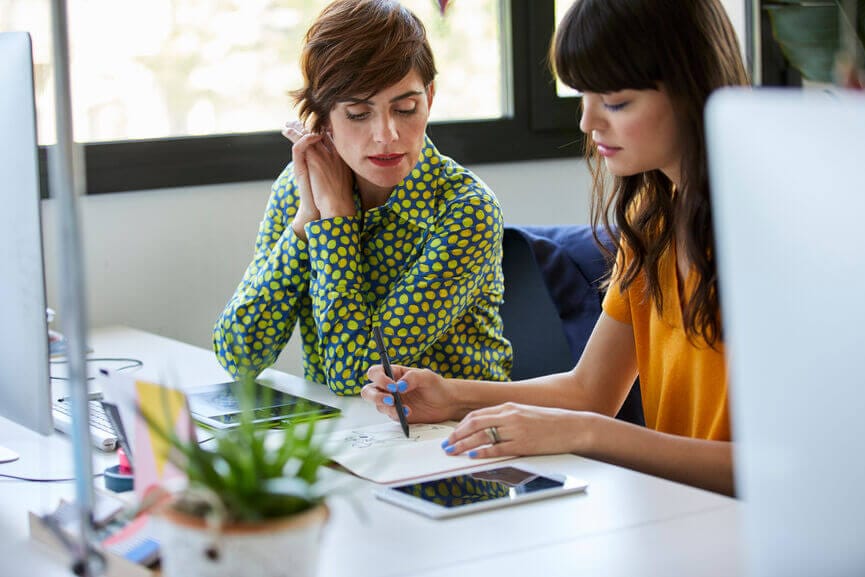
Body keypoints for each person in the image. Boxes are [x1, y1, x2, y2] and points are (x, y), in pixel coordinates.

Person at [362, 0, 749, 496]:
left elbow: (784, 472)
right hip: (678, 515)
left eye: (615, 101)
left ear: (690, 90)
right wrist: (451, 397)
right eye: (583, 95)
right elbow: (590, 392)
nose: (587, 122)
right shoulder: (650, 222)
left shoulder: (763, 240)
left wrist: (587, 434)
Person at [213, 0, 512, 395]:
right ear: (321, 118)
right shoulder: (299, 188)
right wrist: (305, 224)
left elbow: (357, 373)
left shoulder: (466, 209)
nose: (386, 134)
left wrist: (335, 220)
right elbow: (238, 354)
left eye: (406, 108)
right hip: (346, 436)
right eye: (358, 113)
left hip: (457, 438)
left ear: (430, 97)